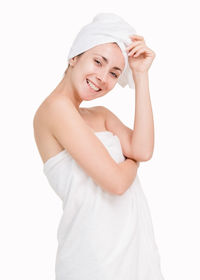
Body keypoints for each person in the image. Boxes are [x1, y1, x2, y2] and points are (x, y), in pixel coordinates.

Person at [33, 13, 164, 280]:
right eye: (97, 61)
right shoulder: (55, 109)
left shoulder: (100, 114)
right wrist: (132, 162)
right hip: (94, 258)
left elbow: (144, 149)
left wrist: (140, 76)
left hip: (131, 250)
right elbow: (116, 183)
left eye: (115, 73)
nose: (103, 77)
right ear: (74, 57)